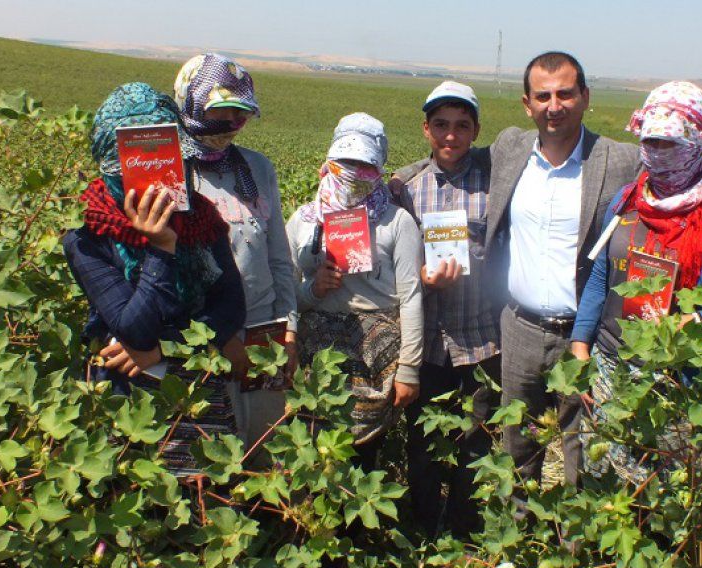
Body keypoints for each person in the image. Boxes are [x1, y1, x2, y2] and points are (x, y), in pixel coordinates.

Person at [485, 52, 702, 488]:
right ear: (527, 103)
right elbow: (453, 158)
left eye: (565, 93)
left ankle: (578, 549)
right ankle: (518, 535)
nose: (554, 105)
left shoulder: (619, 161)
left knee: (589, 453)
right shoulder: (511, 147)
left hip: (596, 338)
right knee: (519, 448)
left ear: (585, 97)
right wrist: (392, 183)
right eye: (543, 96)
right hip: (523, 328)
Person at [569, 81, 702, 481]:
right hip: (611, 365)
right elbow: (599, 277)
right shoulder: (626, 200)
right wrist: (580, 346)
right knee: (602, 478)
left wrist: (700, 322)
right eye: (650, 141)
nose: (657, 153)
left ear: (697, 140)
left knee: (666, 489)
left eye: (670, 142)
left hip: (679, 376)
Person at [62, 82, 246, 476]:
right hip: (124, 396)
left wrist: (166, 349)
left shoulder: (200, 218)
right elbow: (134, 330)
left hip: (195, 390)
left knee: (206, 504)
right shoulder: (87, 239)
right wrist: (161, 247)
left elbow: (232, 308)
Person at [173, 53, 297, 455]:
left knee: (265, 443)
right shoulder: (172, 172)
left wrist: (289, 330)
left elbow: (279, 258)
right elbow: (172, 267)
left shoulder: (257, 169)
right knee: (210, 448)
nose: (228, 125)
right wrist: (222, 336)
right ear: (190, 103)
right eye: (218, 112)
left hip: (263, 329)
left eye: (237, 114)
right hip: (201, 335)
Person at [287, 113, 423, 471]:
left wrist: (408, 369)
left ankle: (354, 528)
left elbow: (410, 297)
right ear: (329, 162)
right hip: (315, 357)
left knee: (362, 459)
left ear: (380, 169)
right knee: (314, 455)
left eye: (365, 166)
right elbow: (285, 295)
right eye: (346, 162)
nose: (354, 173)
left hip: (377, 360)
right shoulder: (303, 220)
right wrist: (313, 290)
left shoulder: (397, 222)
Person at [396, 81, 500, 538]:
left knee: (476, 444)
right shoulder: (404, 187)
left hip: (482, 339)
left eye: (462, 126)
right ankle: (422, 528)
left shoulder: (499, 182)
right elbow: (390, 253)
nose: (451, 136)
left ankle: (464, 532)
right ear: (426, 129)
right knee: (423, 444)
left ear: (476, 130)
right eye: (441, 125)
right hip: (430, 343)